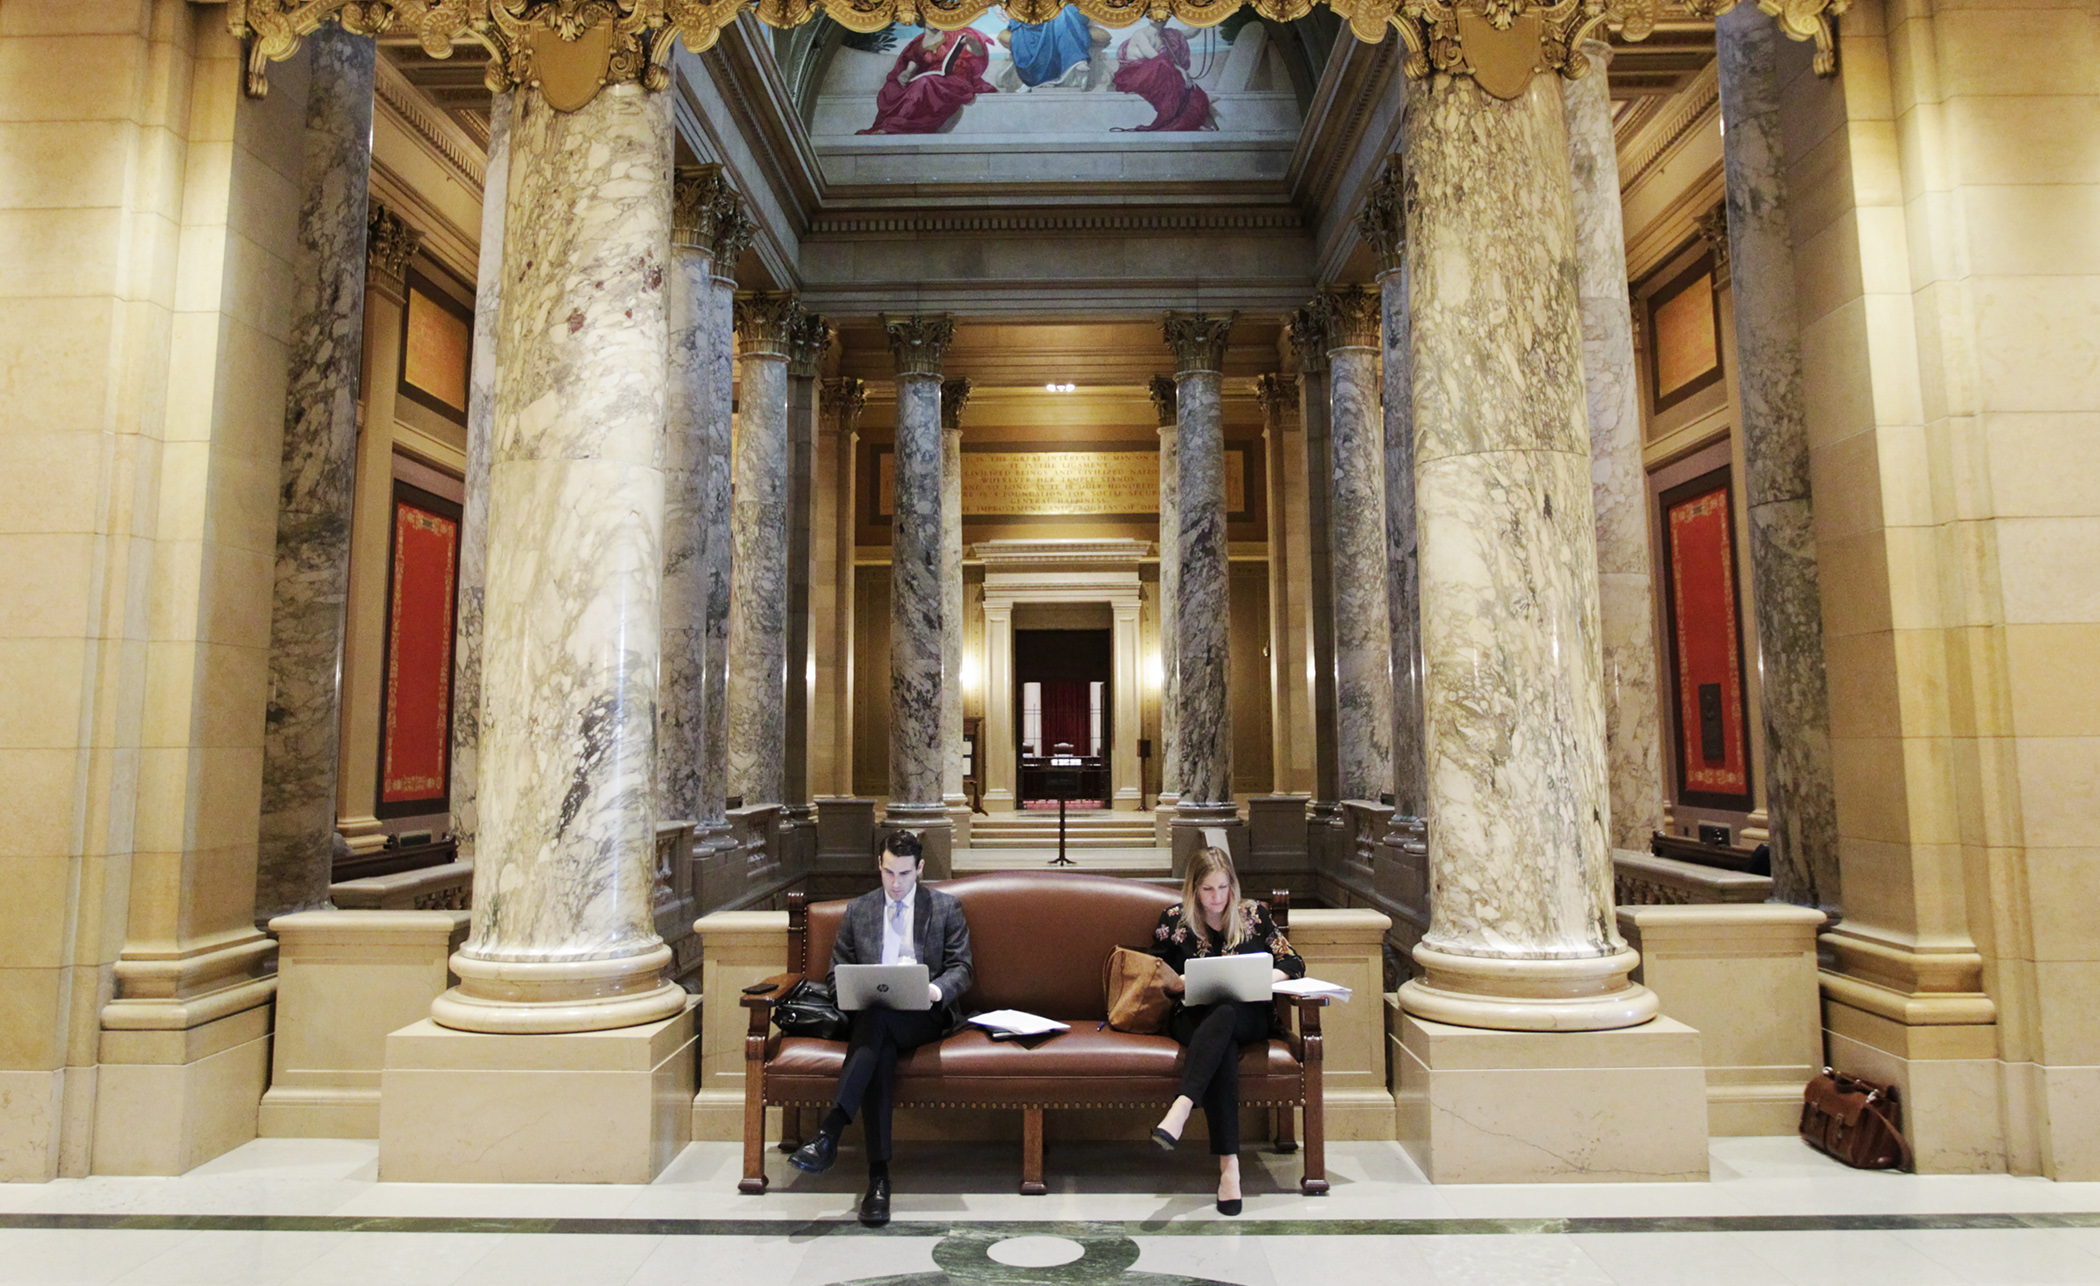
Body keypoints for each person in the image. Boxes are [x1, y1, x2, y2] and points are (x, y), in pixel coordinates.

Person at [788, 831, 973, 1226]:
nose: (895, 883)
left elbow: (962, 969)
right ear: (880, 864)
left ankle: (830, 1134)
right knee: (878, 1035)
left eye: (904, 873)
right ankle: (878, 1180)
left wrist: (935, 990)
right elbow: (836, 972)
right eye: (889, 872)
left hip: (925, 1016)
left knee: (877, 1026)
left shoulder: (945, 908)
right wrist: (850, 994)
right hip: (872, 1016)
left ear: (920, 869)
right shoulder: (859, 910)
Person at [1146, 846, 1303, 1215]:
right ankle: (1229, 1170)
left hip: (1250, 1016)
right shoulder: (1173, 921)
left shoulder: (1254, 915)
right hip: (1193, 1018)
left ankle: (1182, 1107)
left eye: (1223, 888)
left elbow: (1294, 962)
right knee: (1221, 1040)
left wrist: (1264, 975)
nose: (1217, 899)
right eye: (1207, 890)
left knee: (1229, 1012)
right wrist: (1180, 982)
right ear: (1193, 889)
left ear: (1233, 885)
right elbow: (1155, 974)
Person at [858, 26, 997, 135]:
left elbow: (978, 52)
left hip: (957, 78)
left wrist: (972, 42)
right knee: (894, 88)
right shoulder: (920, 41)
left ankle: (894, 125)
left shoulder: (957, 33)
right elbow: (911, 66)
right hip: (932, 76)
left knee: (925, 82)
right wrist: (905, 74)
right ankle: (893, 124)